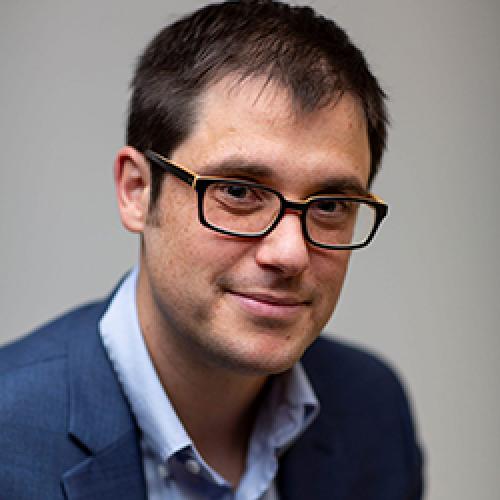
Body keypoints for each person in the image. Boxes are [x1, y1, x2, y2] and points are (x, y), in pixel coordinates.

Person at [0, 1, 423, 499]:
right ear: (137, 191)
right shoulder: (10, 435)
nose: (290, 253)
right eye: (239, 192)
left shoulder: (372, 409)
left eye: (330, 203)